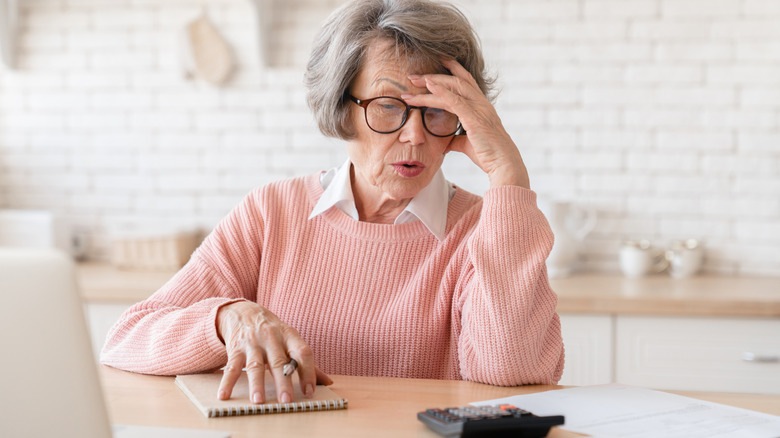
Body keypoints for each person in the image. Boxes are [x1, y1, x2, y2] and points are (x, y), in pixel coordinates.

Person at [101, 0, 564, 406]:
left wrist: (509, 178)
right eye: (387, 105)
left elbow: (512, 370)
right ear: (343, 108)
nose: (415, 134)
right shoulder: (272, 212)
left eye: (437, 110)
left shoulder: (488, 227)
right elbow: (126, 339)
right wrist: (227, 318)